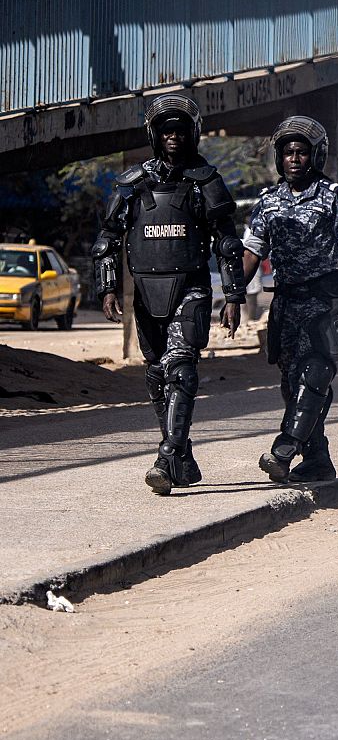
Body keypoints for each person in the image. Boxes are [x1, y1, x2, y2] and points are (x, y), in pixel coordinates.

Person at [92, 93, 247, 494]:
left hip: (190, 288)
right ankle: (182, 457)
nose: (173, 136)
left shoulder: (206, 181)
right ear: (155, 135)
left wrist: (233, 297)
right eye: (166, 130)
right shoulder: (133, 182)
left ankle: (165, 455)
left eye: (179, 130)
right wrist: (108, 288)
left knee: (181, 369)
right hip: (145, 293)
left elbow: (227, 243)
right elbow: (107, 238)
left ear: (192, 133)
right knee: (158, 376)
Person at [241, 116, 338, 485]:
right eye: (287, 153)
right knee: (291, 383)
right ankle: (317, 459)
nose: (294, 159)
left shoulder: (335, 198)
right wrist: (234, 295)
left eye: (301, 152)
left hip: (324, 299)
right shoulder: (268, 201)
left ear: (315, 156)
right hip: (286, 303)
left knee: (315, 375)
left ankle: (285, 447)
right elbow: (252, 251)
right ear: (279, 158)